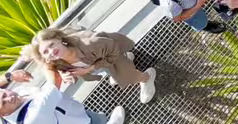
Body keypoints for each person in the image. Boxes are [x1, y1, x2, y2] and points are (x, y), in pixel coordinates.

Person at [26, 24, 157, 103]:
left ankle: (146, 77)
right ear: (44, 58)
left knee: (128, 76)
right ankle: (124, 63)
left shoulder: (89, 44)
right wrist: (63, 73)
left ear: (59, 39)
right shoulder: (57, 61)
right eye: (45, 51)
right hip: (97, 60)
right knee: (112, 70)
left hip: (110, 55)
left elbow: (113, 51)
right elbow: (49, 67)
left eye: (51, 44)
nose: (51, 51)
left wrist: (89, 69)